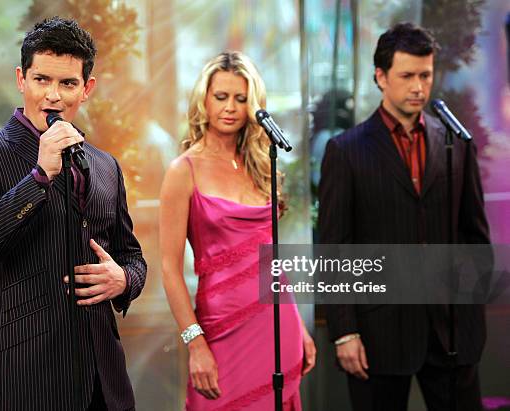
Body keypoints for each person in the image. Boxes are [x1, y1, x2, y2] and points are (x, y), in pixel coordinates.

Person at [0, 17, 146, 411]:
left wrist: (123, 279)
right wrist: (38, 177)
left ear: (86, 89)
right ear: (21, 79)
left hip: (104, 383)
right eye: (42, 80)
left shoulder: (106, 165)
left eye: (67, 84)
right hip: (25, 379)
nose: (53, 96)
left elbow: (133, 257)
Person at [319, 22, 490, 411]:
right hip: (380, 332)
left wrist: (468, 306)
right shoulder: (345, 151)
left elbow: (475, 236)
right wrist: (345, 332)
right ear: (381, 77)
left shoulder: (457, 143)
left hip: (452, 332)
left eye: (426, 75)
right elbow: (334, 249)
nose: (418, 87)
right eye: (407, 76)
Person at [160, 51, 316, 410]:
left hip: (276, 324)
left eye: (241, 99)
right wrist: (195, 342)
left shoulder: (261, 164)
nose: (230, 107)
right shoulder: (183, 170)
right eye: (221, 97)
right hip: (219, 328)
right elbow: (170, 269)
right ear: (204, 100)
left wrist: (299, 327)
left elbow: (272, 261)